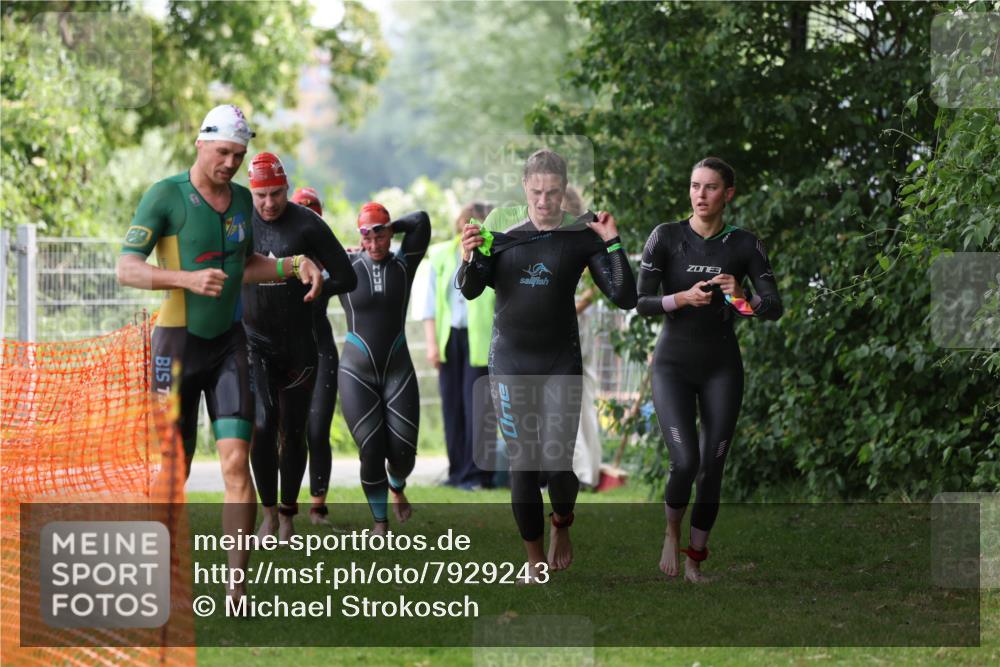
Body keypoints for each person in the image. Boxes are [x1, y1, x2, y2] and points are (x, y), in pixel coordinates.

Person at [116, 104, 324, 600]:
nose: (231, 163)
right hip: (176, 346)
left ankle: (237, 584)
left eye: (239, 154)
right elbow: (127, 269)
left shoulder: (239, 202)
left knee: (237, 461)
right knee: (174, 468)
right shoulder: (165, 196)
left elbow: (244, 263)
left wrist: (293, 264)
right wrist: (184, 278)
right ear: (201, 143)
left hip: (230, 346)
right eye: (224, 153)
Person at [457, 149, 637, 581]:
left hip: (559, 361)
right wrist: (469, 257)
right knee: (524, 462)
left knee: (557, 465)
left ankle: (562, 522)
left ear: (564, 191)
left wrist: (611, 242)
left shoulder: (579, 239)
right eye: (536, 192)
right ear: (525, 189)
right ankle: (533, 561)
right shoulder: (502, 238)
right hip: (510, 362)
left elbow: (625, 295)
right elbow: (468, 290)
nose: (543, 201)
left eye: (552, 193)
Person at [636, 157, 782, 582]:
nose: (701, 195)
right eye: (695, 186)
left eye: (711, 187)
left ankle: (695, 561)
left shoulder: (744, 245)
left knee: (711, 466)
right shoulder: (666, 236)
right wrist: (681, 299)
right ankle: (670, 531)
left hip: (721, 367)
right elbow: (641, 302)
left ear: (728, 194)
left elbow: (771, 308)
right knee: (684, 462)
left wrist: (740, 295)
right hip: (672, 366)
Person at [242, 157, 355, 541]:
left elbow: (347, 275)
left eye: (275, 194)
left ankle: (288, 516)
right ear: (250, 191)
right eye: (260, 195)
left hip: (298, 346)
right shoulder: (238, 220)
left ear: (286, 189)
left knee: (293, 431)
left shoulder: (308, 224)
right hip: (253, 342)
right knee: (261, 424)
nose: (269, 203)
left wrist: (318, 281)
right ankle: (268, 515)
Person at [338, 203, 431, 535]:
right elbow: (311, 245)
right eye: (367, 236)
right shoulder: (346, 265)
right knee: (372, 448)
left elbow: (421, 220)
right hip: (355, 372)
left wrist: (389, 224)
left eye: (381, 235)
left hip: (398, 369)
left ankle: (397, 485)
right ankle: (380, 523)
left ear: (391, 234)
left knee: (404, 454)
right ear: (359, 238)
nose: (375, 243)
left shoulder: (405, 264)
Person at [417, 202, 496, 490]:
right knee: (452, 407)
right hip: (449, 338)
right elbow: (429, 304)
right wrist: (431, 344)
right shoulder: (440, 254)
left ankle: (480, 476)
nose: (470, 228)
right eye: (466, 222)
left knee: (479, 408)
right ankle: (457, 473)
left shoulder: (492, 253)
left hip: (482, 340)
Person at [289, 186, 343, 525]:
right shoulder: (278, 253)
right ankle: (284, 505)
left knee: (318, 428)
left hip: (320, 345)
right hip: (286, 349)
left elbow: (350, 273)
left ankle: (317, 506)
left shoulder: (328, 256)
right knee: (285, 431)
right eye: (302, 212)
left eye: (313, 214)